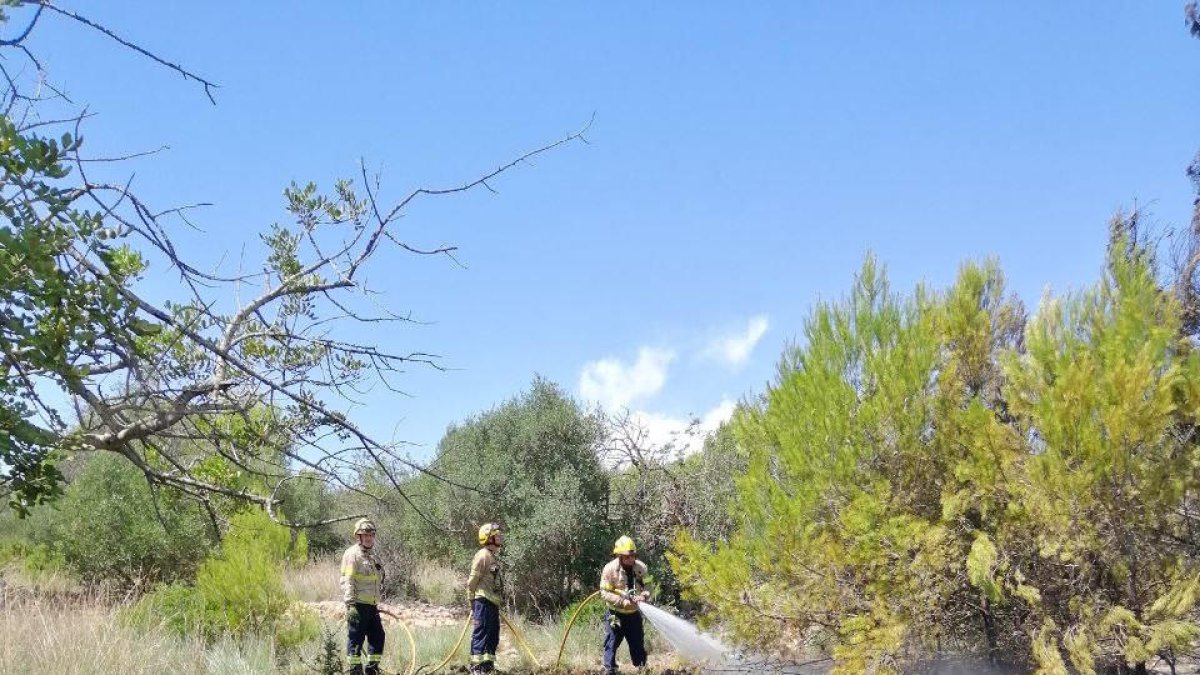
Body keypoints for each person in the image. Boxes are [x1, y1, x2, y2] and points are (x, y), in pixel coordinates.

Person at [599, 535, 650, 675]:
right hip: (615, 614)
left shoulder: (641, 568)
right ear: (619, 556)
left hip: (634, 615)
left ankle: (642, 668)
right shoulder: (609, 569)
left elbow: (649, 585)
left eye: (633, 556)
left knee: (637, 644)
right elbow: (604, 592)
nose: (631, 559)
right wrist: (622, 602)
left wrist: (643, 596)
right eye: (627, 557)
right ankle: (610, 670)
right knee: (611, 643)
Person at [341, 518, 386, 675]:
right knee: (356, 641)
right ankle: (355, 670)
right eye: (365, 535)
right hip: (357, 606)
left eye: (371, 535)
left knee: (378, 637)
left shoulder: (373, 556)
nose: (369, 538)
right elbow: (348, 580)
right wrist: (350, 605)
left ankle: (372, 669)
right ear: (358, 537)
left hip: (372, 606)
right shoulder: (352, 555)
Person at [467, 522, 504, 673]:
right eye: (497, 535)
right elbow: (472, 581)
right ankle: (476, 667)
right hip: (482, 601)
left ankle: (488, 666)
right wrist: (471, 600)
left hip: (492, 602)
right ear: (489, 538)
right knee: (481, 633)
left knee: (492, 635)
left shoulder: (491, 556)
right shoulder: (482, 556)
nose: (500, 537)